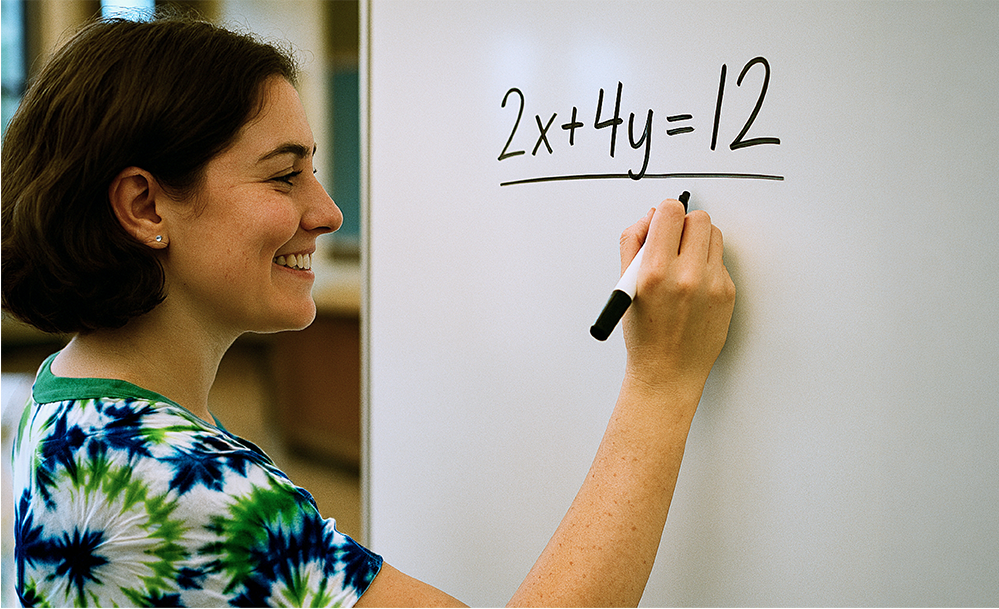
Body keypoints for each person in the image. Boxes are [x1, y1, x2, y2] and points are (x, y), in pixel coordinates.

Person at [2, 12, 735, 609]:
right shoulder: (167, 477)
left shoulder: (67, 396)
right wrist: (661, 381)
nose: (326, 210)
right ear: (144, 204)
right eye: (285, 175)